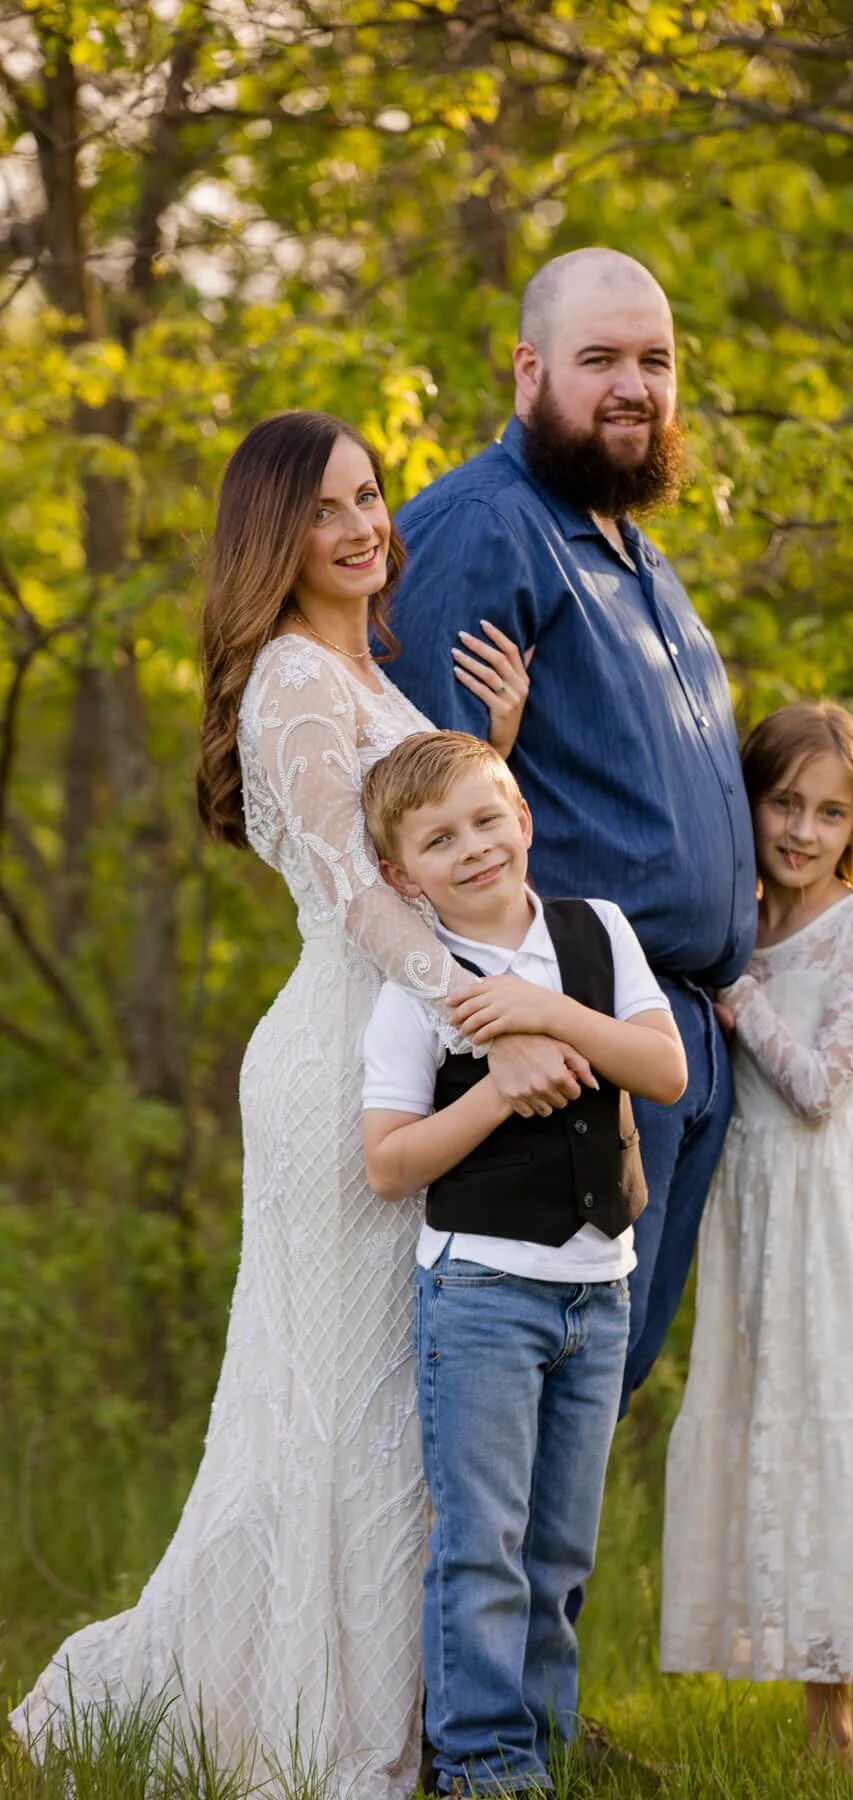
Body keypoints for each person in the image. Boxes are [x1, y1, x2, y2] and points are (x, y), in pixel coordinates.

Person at [10, 412, 585, 1797]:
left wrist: (485, 750)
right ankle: (310, 1731)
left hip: (415, 1046)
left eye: (372, 494)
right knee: (338, 1404)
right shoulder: (289, 686)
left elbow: (437, 847)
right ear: (276, 535)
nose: (362, 524)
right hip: (347, 1058)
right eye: (326, 507)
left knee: (396, 1399)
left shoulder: (364, 676)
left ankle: (397, 1713)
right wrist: (490, 1025)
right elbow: (368, 900)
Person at [386, 247, 758, 1411]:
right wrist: (496, 1035)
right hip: (566, 1054)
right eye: (600, 360)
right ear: (529, 370)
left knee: (597, 1413)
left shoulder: (644, 562)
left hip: (680, 1045)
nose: (633, 386)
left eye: (656, 361)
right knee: (527, 1436)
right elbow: (416, 822)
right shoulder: (483, 531)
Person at [358, 730, 686, 1797]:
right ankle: (482, 1764)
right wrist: (493, 1089)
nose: (475, 848)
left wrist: (548, 1012)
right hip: (484, 1292)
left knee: (560, 1553)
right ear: (406, 877)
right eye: (440, 840)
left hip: (602, 1288)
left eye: (488, 819)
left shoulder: (597, 934)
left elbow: (668, 1070)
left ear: (524, 819)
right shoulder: (419, 986)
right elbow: (388, 1164)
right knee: (483, 1548)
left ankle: (544, 1742)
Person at [660, 701, 853, 1764]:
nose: (801, 830)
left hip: (847, 1212)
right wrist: (729, 966)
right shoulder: (739, 925)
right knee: (791, 1441)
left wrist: (735, 992)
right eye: (783, 802)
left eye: (830, 812)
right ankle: (822, 1730)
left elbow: (819, 1087)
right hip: (760, 1215)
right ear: (747, 801)